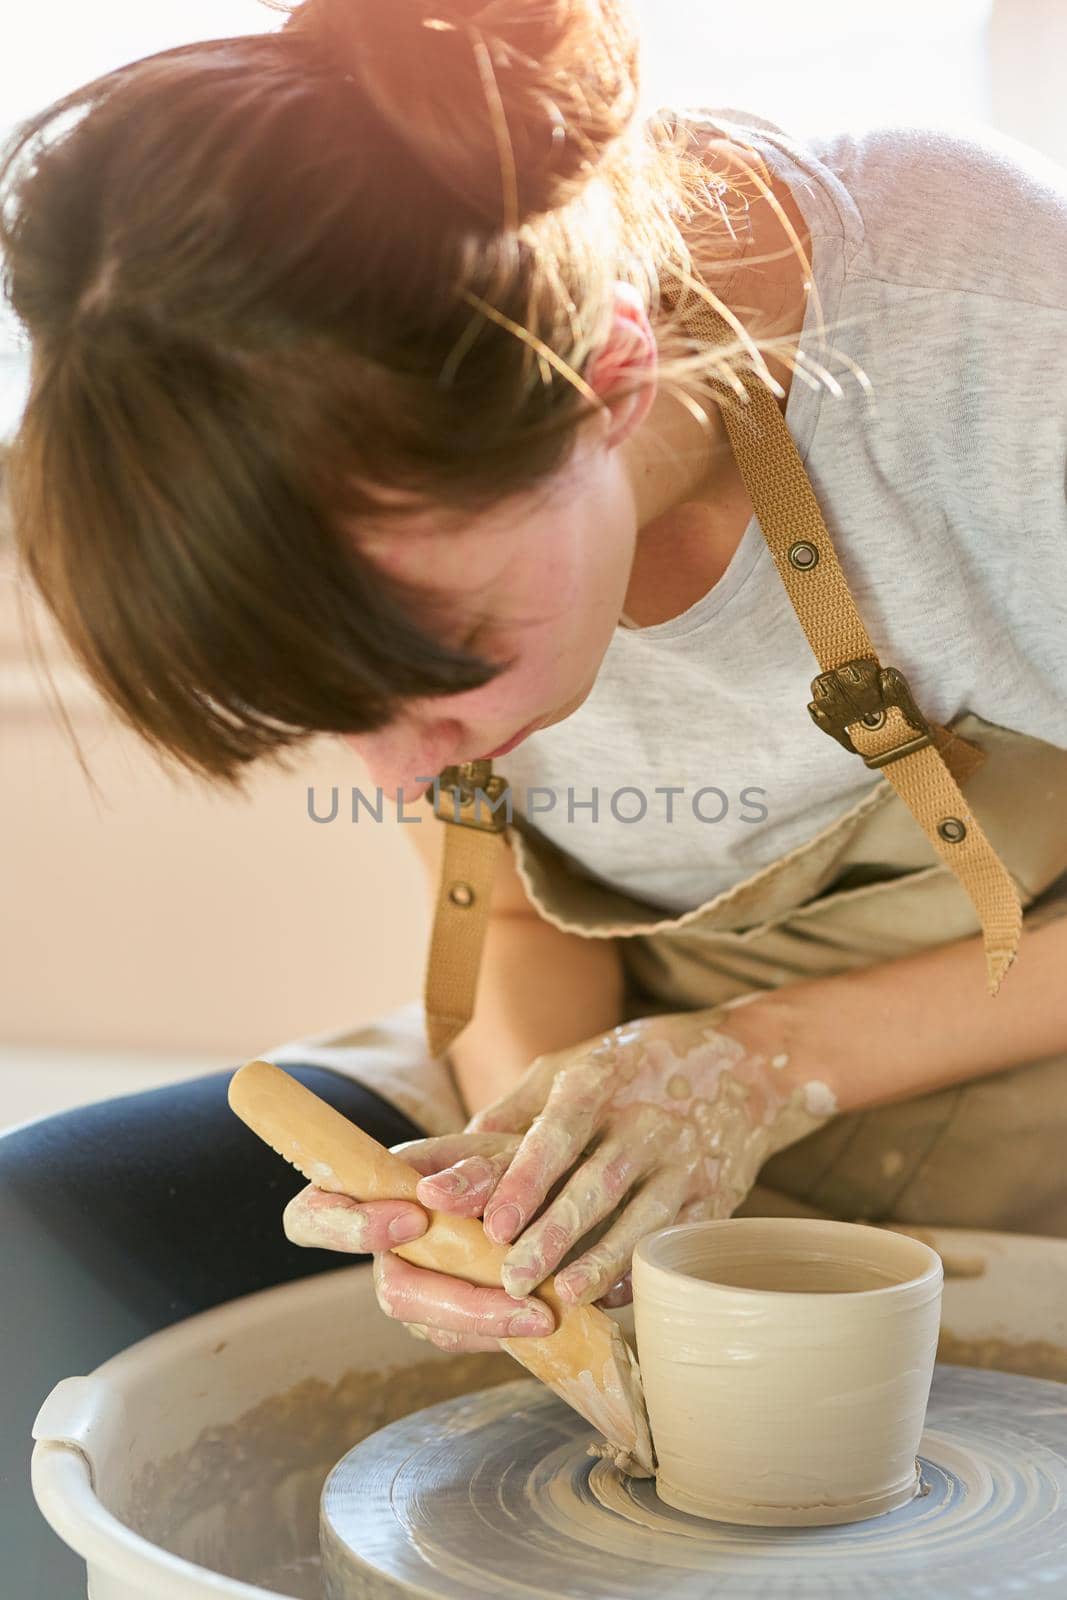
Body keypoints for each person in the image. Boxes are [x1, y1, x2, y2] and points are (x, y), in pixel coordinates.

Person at [4, 0, 1067, 1381]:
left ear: (612, 378)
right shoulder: (341, 463)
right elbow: (509, 904)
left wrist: (758, 1065)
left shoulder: (989, 333)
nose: (393, 772)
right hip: (647, 1059)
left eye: (441, 670)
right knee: (40, 1251)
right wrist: (530, 1195)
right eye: (338, 707)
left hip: (1021, 1077)